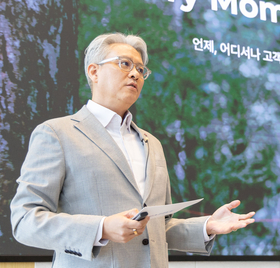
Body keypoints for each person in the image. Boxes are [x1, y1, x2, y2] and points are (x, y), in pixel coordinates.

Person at [10, 33, 255, 267]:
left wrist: (207, 226)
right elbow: (25, 220)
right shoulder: (57, 133)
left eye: (140, 69)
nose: (135, 74)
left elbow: (158, 227)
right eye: (124, 64)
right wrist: (102, 228)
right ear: (94, 71)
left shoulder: (153, 144)